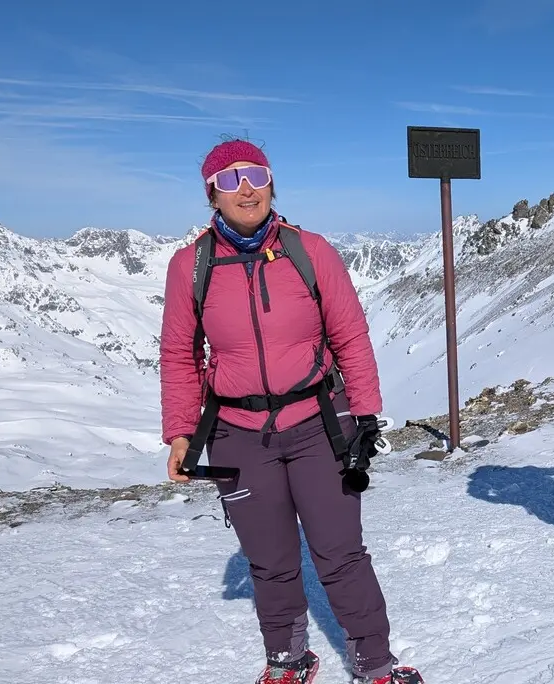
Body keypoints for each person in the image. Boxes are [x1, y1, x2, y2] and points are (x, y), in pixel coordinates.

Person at [159, 137, 423, 684]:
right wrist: (181, 434)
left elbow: (350, 334)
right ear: (211, 194)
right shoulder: (191, 265)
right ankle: (288, 657)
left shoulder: (310, 250)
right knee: (270, 560)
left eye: (254, 174)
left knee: (340, 552)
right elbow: (180, 354)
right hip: (236, 432)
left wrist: (366, 415)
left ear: (272, 182)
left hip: (318, 424)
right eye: (229, 179)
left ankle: (375, 663)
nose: (245, 188)